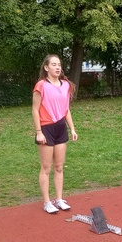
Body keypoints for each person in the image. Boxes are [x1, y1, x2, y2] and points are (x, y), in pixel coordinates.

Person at [32, 54, 78, 213]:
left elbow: (66, 109)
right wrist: (39, 132)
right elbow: (35, 110)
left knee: (59, 167)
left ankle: (59, 199)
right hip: (46, 128)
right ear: (46, 67)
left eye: (59, 64)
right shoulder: (41, 85)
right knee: (46, 167)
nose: (57, 67)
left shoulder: (66, 85)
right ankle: (47, 202)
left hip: (60, 127)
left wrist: (72, 128)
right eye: (53, 64)